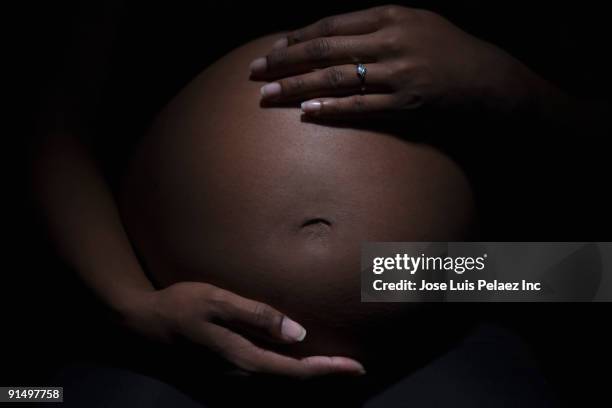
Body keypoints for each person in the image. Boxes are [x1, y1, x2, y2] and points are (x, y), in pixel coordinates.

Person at [30, 2, 610, 405]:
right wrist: (129, 306)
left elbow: (585, 258)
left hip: (448, 309)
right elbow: (43, 120)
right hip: (167, 329)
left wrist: (500, 82)